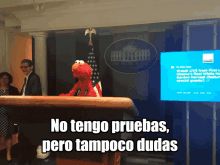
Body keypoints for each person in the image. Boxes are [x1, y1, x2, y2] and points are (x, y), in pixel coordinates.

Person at [18, 59, 47, 164]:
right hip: (25, 110)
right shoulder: (27, 78)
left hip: (30, 111)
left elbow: (33, 94)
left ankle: (29, 158)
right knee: (24, 135)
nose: (23, 69)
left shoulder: (34, 77)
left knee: (29, 135)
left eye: (25, 67)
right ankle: (27, 156)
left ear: (31, 67)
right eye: (22, 67)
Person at [0, 72, 19, 163]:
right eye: (2, 78)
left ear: (9, 80)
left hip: (9, 116)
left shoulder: (13, 90)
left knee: (8, 135)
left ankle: (8, 153)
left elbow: (18, 103)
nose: (4, 80)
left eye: (6, 78)